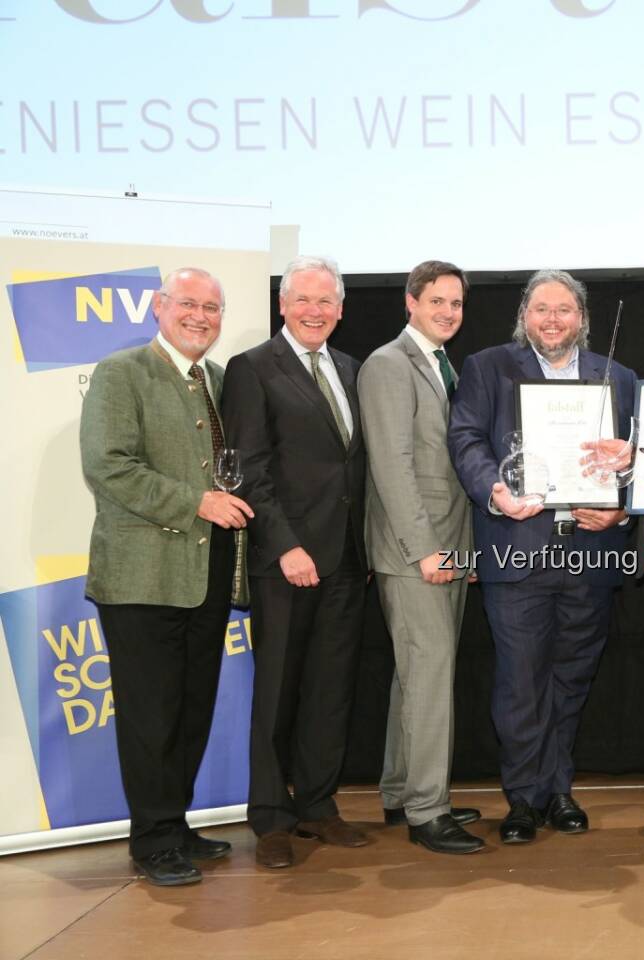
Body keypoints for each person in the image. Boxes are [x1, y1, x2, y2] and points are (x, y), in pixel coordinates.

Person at [448, 269, 636, 845]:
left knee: (572, 677)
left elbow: (637, 458)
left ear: (582, 318)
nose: (552, 321)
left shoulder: (619, 377)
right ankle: (524, 799)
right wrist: (495, 491)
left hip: (593, 552)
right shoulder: (488, 367)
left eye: (564, 310)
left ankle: (558, 789)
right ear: (523, 317)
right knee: (521, 682)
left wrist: (621, 506)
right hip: (518, 549)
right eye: (540, 310)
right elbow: (465, 439)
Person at [80, 268, 252, 886]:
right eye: (188, 304)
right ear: (159, 307)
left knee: (189, 710)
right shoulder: (121, 373)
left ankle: (173, 824)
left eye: (212, 306)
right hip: (140, 579)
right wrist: (196, 502)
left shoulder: (221, 381)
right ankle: (152, 840)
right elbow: (108, 467)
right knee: (151, 717)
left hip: (205, 576)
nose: (201, 316)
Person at [221, 255, 370, 869]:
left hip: (346, 559)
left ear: (340, 309)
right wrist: (286, 546)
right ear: (283, 305)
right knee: (278, 692)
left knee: (329, 692)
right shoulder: (252, 368)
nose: (315, 310)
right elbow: (248, 470)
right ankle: (272, 819)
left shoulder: (350, 368)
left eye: (326, 301)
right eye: (303, 300)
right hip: (287, 561)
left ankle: (316, 805)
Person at [358, 260, 484, 855]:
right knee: (430, 674)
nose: (447, 312)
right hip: (418, 551)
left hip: (449, 544)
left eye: (455, 303)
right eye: (436, 301)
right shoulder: (389, 365)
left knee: (418, 676)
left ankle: (402, 789)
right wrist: (426, 550)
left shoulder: (440, 364)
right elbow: (392, 467)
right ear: (410, 302)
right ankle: (427, 813)